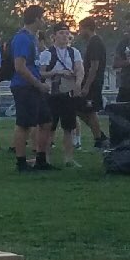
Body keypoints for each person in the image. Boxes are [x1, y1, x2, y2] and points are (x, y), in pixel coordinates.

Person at [9, 5, 54, 172]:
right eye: (42, 17)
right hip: (24, 86)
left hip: (34, 86)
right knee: (24, 124)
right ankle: (21, 162)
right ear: (36, 18)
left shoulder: (33, 38)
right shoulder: (22, 38)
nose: (44, 21)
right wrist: (39, 84)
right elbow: (19, 66)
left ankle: (41, 159)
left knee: (46, 121)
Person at [38, 22, 84, 168]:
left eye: (66, 33)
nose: (65, 36)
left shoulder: (74, 52)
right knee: (49, 126)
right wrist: (57, 72)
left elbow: (79, 69)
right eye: (61, 33)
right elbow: (41, 72)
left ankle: (68, 158)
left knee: (69, 127)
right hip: (52, 93)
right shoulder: (47, 53)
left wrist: (78, 83)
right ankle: (46, 158)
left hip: (67, 92)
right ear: (54, 36)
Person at [76, 17, 109, 148]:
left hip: (93, 84)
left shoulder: (95, 42)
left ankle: (99, 139)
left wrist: (87, 86)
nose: (79, 32)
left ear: (87, 28)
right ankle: (100, 136)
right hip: (89, 83)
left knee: (90, 111)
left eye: (80, 29)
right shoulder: (92, 42)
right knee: (80, 109)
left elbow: (94, 66)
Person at [113, 12, 130, 104]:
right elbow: (115, 64)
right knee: (120, 112)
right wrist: (127, 62)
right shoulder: (123, 43)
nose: (128, 27)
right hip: (126, 85)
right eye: (127, 24)